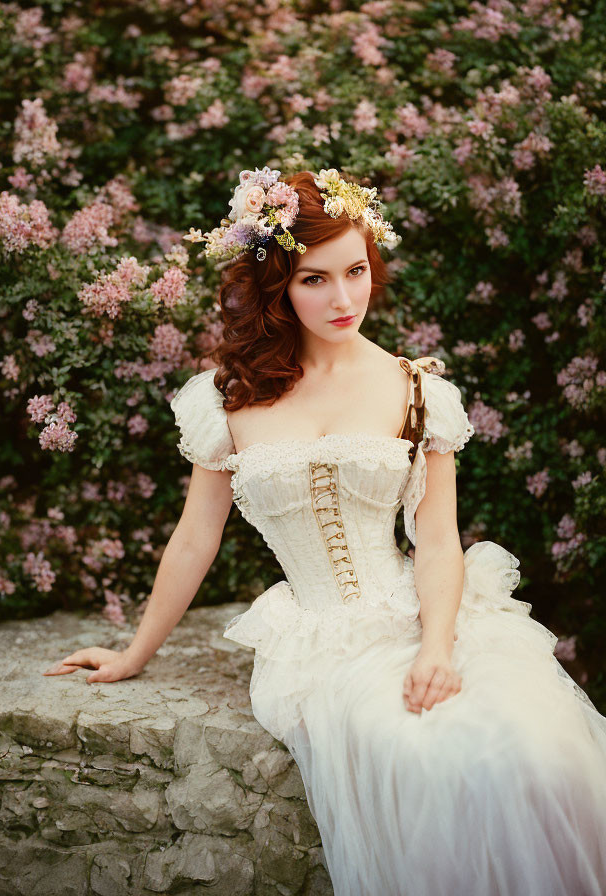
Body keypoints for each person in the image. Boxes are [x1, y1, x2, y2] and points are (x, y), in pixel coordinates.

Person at [44, 167, 606, 895]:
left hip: (426, 618)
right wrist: (133, 652)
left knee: (529, 746)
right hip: (318, 646)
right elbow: (195, 537)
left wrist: (437, 649)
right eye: (315, 279)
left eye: (356, 271)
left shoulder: (417, 391)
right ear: (277, 284)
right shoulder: (230, 399)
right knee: (430, 755)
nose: (344, 299)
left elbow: (437, 541)